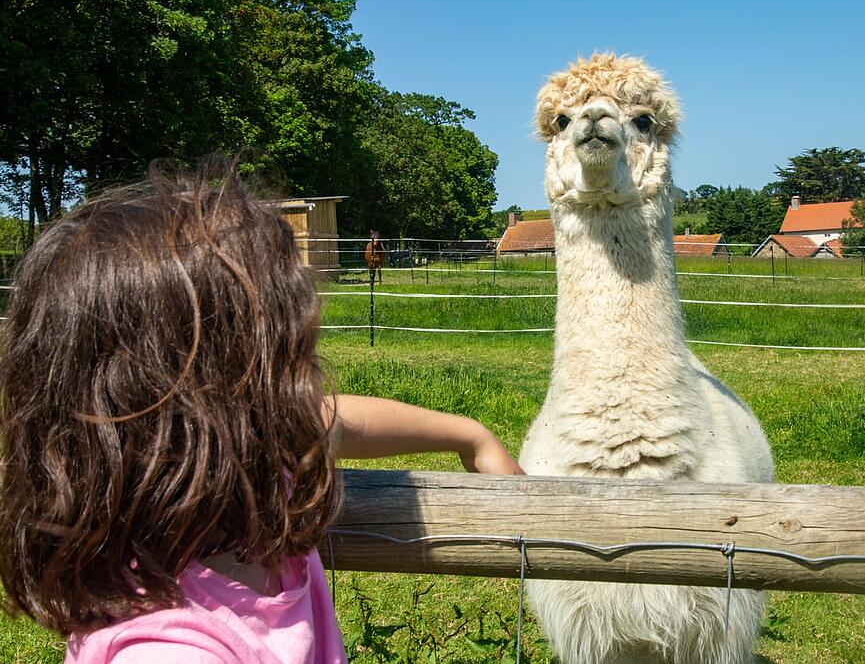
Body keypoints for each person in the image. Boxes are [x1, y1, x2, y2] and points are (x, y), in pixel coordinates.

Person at [0, 166, 522, 663]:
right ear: (215, 405)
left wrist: (469, 435)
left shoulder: (247, 460)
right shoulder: (171, 647)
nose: (314, 367)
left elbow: (332, 418)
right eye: (293, 353)